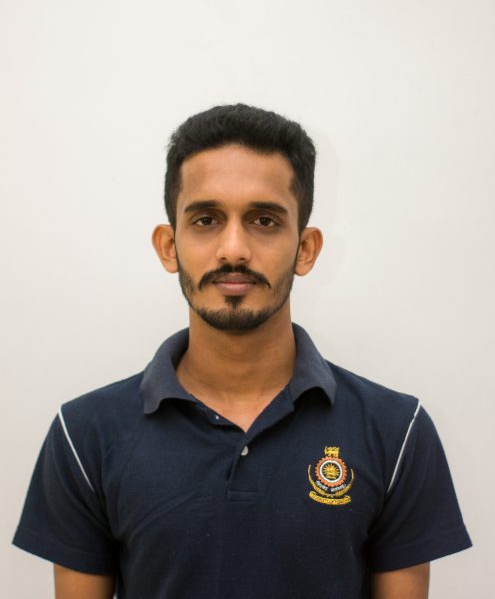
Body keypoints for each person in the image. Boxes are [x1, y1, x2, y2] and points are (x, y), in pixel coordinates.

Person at [13, 104, 471, 599]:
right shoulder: (84, 435)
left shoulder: (396, 431)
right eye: (207, 219)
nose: (233, 249)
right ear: (169, 246)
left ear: (306, 249)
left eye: (264, 220)